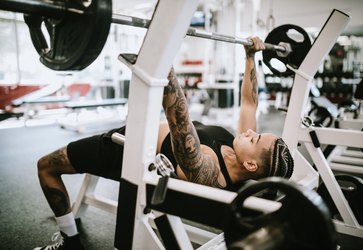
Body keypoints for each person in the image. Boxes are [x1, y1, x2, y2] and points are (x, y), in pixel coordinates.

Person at [34, 36, 294, 250]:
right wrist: (251, 56)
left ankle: (70, 241)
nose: (250, 133)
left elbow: (178, 117)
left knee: (46, 166)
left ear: (250, 164)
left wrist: (161, 54)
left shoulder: (207, 171)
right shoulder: (243, 152)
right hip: (136, 131)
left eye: (255, 138)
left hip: (124, 147)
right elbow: (250, 102)